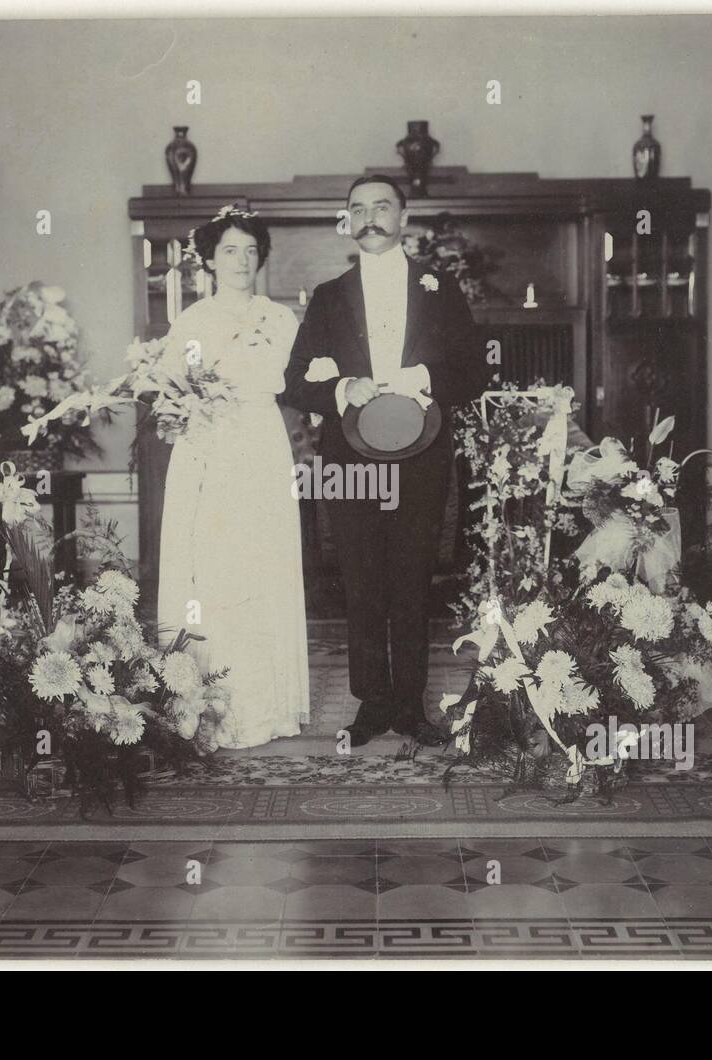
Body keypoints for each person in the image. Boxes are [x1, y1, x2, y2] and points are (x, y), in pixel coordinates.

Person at [284, 175, 491, 747]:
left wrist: (423, 377)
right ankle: (371, 704)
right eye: (357, 208)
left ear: (404, 216)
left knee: (411, 580)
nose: (369, 217)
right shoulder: (328, 296)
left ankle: (411, 706)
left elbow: (475, 372)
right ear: (346, 220)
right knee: (362, 582)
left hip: (421, 458)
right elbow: (294, 381)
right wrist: (342, 387)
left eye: (382, 207)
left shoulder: (438, 288)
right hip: (350, 462)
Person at [156, 207, 310, 749]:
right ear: (210, 260)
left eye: (250, 251)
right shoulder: (194, 322)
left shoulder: (282, 319)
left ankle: (265, 706)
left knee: (260, 561)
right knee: (213, 565)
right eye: (229, 251)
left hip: (263, 445)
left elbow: (300, 384)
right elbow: (172, 389)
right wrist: (184, 411)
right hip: (208, 446)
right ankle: (207, 706)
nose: (241, 261)